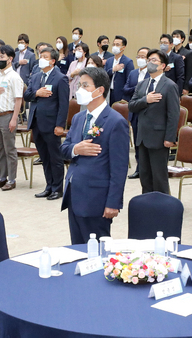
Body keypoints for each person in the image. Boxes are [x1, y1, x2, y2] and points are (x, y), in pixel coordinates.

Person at [60, 67, 129, 244]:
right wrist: (77, 149)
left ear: (100, 90)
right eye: (79, 85)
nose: (79, 90)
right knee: (78, 247)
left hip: (97, 198)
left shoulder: (116, 122)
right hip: (75, 194)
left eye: (85, 85)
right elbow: (64, 149)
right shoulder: (78, 118)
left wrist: (113, 203)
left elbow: (119, 168)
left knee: (97, 250)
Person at [128, 49, 180, 194]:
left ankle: (163, 206)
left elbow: (173, 114)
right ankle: (147, 204)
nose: (150, 62)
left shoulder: (169, 85)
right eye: (149, 59)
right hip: (142, 137)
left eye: (154, 60)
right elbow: (131, 106)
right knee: (144, 175)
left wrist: (170, 138)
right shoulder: (142, 84)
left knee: (159, 176)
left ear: (163, 65)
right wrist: (146, 100)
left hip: (160, 138)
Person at [24, 47, 70, 199]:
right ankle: (49, 186)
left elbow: (64, 105)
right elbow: (27, 95)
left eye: (45, 56)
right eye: (40, 55)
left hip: (51, 124)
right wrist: (37, 93)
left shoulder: (60, 78)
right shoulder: (36, 76)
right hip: (36, 122)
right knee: (44, 157)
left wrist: (60, 125)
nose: (41, 58)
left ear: (52, 61)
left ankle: (57, 188)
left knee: (54, 157)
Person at [0, 45, 23, 191]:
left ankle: (12, 179)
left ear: (10, 59)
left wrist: (14, 119)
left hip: (8, 115)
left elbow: (19, 99)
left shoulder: (14, 77)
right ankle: (2, 177)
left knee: (10, 149)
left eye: (2, 57)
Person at [124, 47, 150, 180]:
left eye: (143, 56)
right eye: (138, 56)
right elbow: (126, 89)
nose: (140, 59)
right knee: (136, 142)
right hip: (134, 112)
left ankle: (145, 169)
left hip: (147, 112)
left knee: (145, 143)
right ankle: (139, 168)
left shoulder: (152, 74)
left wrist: (139, 89)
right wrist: (139, 87)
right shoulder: (133, 73)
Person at [104, 35, 134, 104]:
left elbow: (129, 81)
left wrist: (125, 97)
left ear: (123, 47)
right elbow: (104, 75)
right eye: (113, 44)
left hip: (120, 95)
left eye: (117, 45)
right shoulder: (109, 61)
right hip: (108, 93)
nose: (115, 46)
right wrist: (113, 70)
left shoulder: (128, 62)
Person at [171, 30, 192, 94]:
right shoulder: (171, 52)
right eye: (173, 37)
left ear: (182, 39)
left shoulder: (187, 53)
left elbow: (189, 71)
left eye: (177, 37)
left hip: (181, 83)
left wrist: (186, 87)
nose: (175, 38)